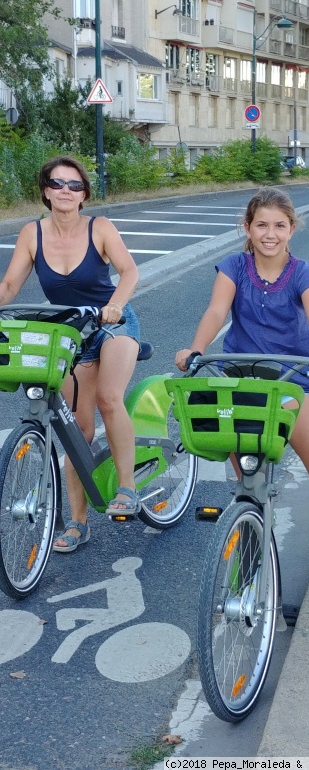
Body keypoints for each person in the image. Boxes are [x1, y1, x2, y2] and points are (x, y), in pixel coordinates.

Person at [176, 187, 309, 613]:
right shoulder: (233, 266)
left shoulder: (303, 272)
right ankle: (248, 576)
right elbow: (216, 311)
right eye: (261, 224)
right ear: (247, 228)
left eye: (279, 226)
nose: (270, 234)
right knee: (248, 486)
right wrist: (195, 348)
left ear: (291, 229)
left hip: (292, 381)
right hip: (242, 381)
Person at [0, 155, 142, 553]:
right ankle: (78, 523)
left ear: (84, 194)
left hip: (113, 324)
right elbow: (9, 285)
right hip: (69, 333)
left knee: (109, 399)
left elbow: (129, 271)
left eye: (75, 185)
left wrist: (114, 305)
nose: (66, 191)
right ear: (46, 190)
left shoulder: (100, 228)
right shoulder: (32, 233)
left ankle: (127, 487)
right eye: (58, 183)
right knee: (75, 428)